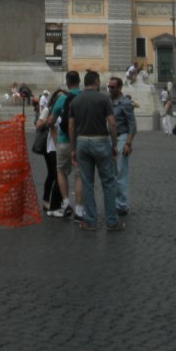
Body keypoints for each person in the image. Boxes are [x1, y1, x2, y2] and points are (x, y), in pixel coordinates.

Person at [69, 70, 123, 231]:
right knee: (108, 182)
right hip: (100, 140)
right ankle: (112, 221)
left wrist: (73, 149)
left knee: (87, 183)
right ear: (96, 82)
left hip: (82, 142)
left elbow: (71, 127)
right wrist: (114, 144)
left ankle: (90, 220)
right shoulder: (104, 99)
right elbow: (112, 124)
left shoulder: (75, 101)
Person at [43, 69, 83, 220]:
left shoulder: (62, 98)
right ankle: (79, 209)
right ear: (79, 81)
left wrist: (55, 137)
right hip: (81, 141)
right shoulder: (84, 96)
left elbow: (50, 121)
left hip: (64, 141)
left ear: (67, 83)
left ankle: (66, 203)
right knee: (79, 176)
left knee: (61, 172)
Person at [107, 75, 136, 216]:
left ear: (119, 87)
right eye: (109, 87)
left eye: (112, 87)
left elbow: (132, 125)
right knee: (112, 173)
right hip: (110, 139)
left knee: (121, 172)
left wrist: (128, 144)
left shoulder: (125, 103)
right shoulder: (108, 101)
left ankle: (122, 205)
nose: (110, 89)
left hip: (122, 137)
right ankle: (114, 202)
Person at [36, 88, 63, 217]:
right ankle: (48, 201)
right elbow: (38, 125)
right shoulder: (48, 110)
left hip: (61, 146)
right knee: (53, 174)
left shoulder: (65, 111)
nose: (60, 99)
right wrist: (49, 120)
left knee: (58, 175)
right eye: (58, 97)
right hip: (50, 147)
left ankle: (59, 201)